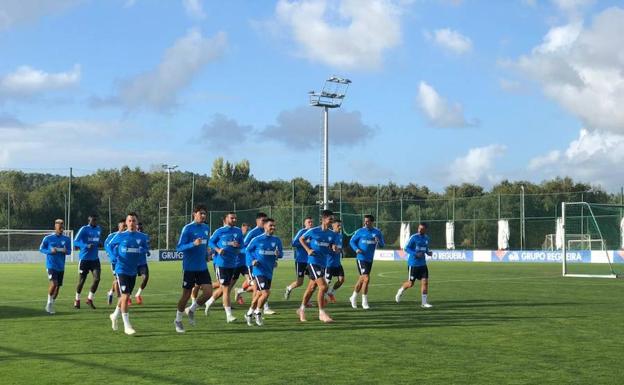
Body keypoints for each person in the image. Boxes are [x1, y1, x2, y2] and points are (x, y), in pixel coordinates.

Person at [106, 212, 150, 335]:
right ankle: (127, 325)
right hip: (121, 270)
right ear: (126, 223)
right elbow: (109, 246)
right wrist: (114, 256)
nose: (131, 223)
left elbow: (146, 248)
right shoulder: (120, 235)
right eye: (129, 220)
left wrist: (144, 250)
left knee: (125, 297)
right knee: (125, 296)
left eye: (134, 220)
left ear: (137, 223)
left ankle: (114, 315)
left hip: (133, 270)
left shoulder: (142, 236)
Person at [174, 205, 213, 333]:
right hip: (189, 268)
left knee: (208, 293)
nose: (203, 216)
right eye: (200, 213)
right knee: (185, 295)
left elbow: (206, 245)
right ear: (194, 214)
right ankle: (178, 320)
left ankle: (191, 309)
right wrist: (193, 244)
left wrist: (207, 254)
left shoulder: (206, 228)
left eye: (204, 214)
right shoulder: (188, 228)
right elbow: (179, 247)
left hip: (202, 266)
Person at [297, 209, 336, 323]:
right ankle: (322, 313)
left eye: (332, 219)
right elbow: (301, 239)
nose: (331, 221)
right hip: (313, 262)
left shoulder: (331, 234)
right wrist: (308, 249)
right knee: (323, 287)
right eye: (330, 219)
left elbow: (331, 244)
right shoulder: (314, 231)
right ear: (323, 219)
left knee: (311, 288)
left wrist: (333, 247)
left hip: (323, 263)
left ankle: (301, 309)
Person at [244, 218, 283, 326]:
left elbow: (281, 254)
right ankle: (258, 312)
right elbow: (247, 251)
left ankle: (249, 313)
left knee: (258, 294)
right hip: (258, 270)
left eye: (274, 226)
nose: (273, 228)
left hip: (269, 271)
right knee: (266, 293)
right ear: (265, 226)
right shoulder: (257, 239)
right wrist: (252, 261)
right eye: (271, 225)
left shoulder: (277, 240)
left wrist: (277, 254)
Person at [208, 212, 243, 323]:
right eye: (232, 218)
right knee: (226, 289)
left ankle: (209, 301)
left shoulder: (238, 231)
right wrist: (218, 250)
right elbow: (210, 242)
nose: (234, 220)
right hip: (221, 263)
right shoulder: (219, 231)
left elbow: (242, 245)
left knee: (224, 287)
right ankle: (229, 315)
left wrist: (238, 246)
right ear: (225, 219)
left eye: (235, 218)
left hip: (232, 263)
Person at [349, 214, 385, 310]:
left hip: (370, 259)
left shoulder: (377, 232)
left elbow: (382, 244)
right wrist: (356, 249)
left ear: (372, 222)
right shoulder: (360, 231)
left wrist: (379, 241)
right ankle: (364, 302)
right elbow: (351, 241)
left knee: (363, 280)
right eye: (365, 221)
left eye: (368, 221)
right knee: (366, 278)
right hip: (361, 258)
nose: (365, 222)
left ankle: (353, 297)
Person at [243, 212, 276, 315]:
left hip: (265, 265)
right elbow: (245, 247)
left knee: (258, 289)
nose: (264, 222)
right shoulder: (252, 233)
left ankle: (252, 311)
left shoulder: (271, 236)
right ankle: (260, 310)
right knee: (259, 289)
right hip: (253, 265)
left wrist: (274, 258)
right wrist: (252, 259)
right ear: (257, 221)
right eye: (263, 220)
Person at [395, 222, 433, 308]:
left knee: (425, 282)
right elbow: (406, 248)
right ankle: (400, 290)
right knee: (410, 283)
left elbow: (425, 248)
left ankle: (424, 303)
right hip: (413, 264)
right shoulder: (413, 237)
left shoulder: (427, 238)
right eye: (419, 228)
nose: (420, 230)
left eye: (422, 229)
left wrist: (428, 252)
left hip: (423, 264)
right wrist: (415, 254)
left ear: (425, 230)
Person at [39, 219, 72, 314]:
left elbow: (69, 251)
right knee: (54, 284)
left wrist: (66, 251)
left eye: (62, 227)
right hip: (51, 265)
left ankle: (51, 304)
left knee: (58, 287)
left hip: (61, 266)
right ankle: (49, 303)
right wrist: (50, 251)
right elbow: (41, 249)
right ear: (55, 227)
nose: (61, 229)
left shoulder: (67, 239)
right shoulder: (48, 238)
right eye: (60, 227)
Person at [73, 214, 102, 309]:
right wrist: (85, 245)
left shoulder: (98, 229)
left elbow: (97, 240)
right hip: (84, 260)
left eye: (95, 220)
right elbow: (75, 241)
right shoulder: (84, 229)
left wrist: (100, 243)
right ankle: (77, 299)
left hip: (95, 259)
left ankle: (89, 299)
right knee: (82, 281)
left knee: (97, 279)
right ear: (89, 221)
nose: (94, 222)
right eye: (93, 220)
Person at [284, 216, 314, 300]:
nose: (310, 224)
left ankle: (307, 300)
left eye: (311, 222)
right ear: (305, 223)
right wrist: (305, 243)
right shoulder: (302, 232)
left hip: (311, 261)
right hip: (301, 260)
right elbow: (294, 243)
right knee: (300, 282)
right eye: (309, 222)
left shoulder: (314, 232)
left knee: (314, 281)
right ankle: (289, 288)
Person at [104, 219, 126, 305]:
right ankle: (119, 300)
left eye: (125, 226)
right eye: (123, 226)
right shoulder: (112, 236)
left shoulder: (127, 236)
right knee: (117, 280)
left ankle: (110, 292)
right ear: (119, 226)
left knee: (119, 280)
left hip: (125, 262)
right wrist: (112, 256)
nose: (124, 228)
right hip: (115, 262)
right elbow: (107, 246)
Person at [325, 218, 345, 303]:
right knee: (326, 283)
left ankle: (331, 292)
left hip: (337, 263)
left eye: (341, 225)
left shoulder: (340, 236)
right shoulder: (328, 235)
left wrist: (339, 250)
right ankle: (323, 298)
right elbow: (325, 246)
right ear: (333, 225)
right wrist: (331, 247)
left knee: (341, 280)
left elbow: (339, 248)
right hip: (329, 263)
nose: (340, 227)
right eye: (338, 225)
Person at [134, 222, 149, 304]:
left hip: (142, 263)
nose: (139, 229)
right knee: (130, 281)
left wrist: (147, 251)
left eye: (141, 228)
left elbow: (146, 247)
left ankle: (138, 294)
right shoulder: (131, 236)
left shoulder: (144, 236)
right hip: (133, 263)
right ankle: (127, 297)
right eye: (138, 228)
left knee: (146, 278)